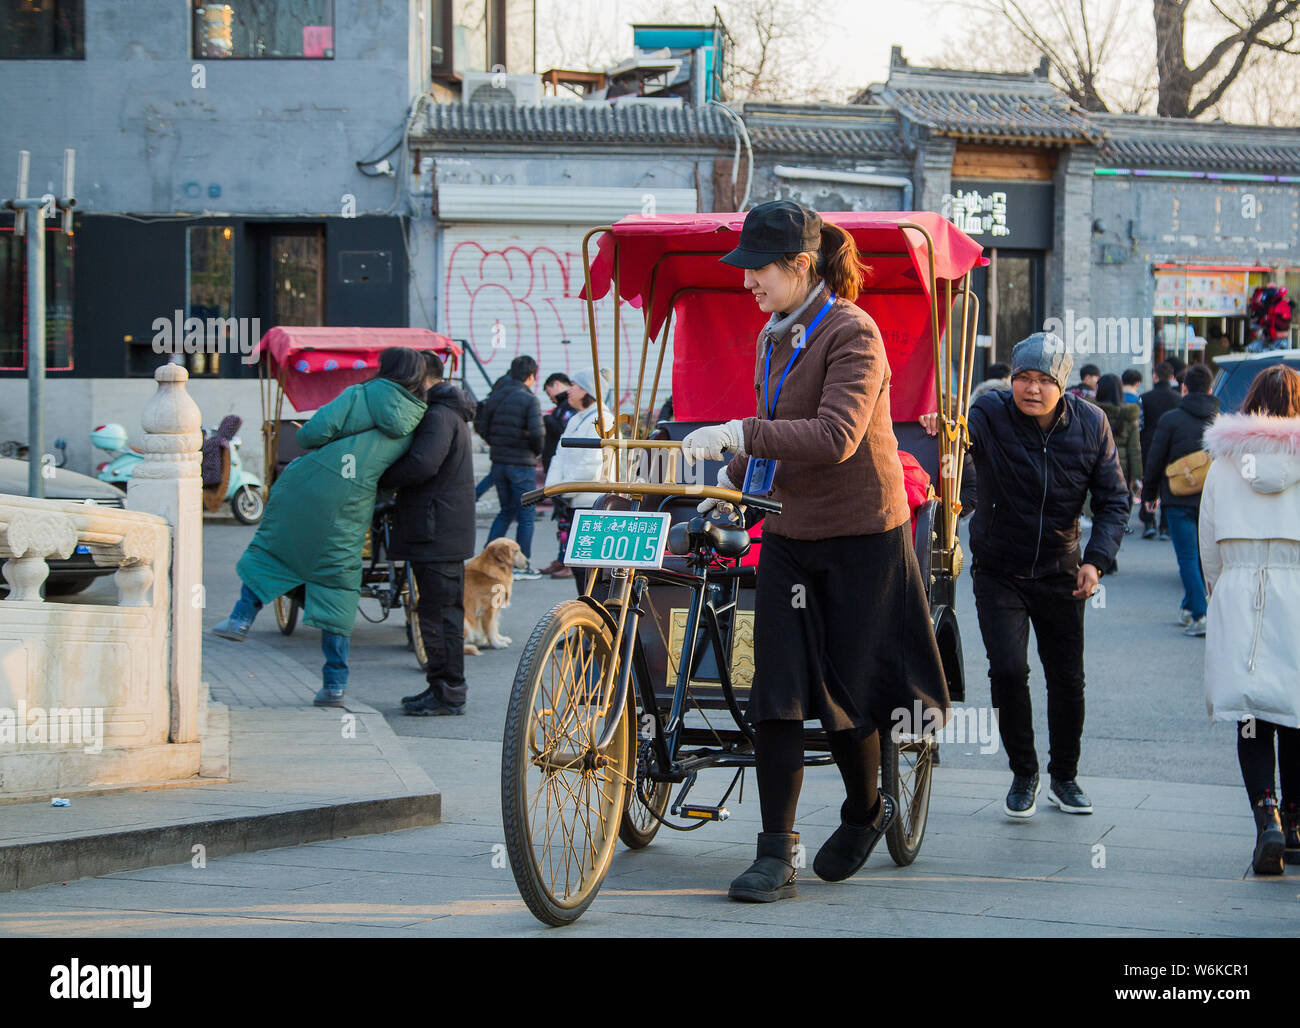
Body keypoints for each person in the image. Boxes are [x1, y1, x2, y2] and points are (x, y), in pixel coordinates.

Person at [680, 200, 951, 903]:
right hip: (792, 534)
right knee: (777, 691)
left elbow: (833, 437)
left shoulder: (852, 333)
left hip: (864, 536)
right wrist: (732, 483)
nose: (748, 284)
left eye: (758, 271)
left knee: (848, 696)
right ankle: (776, 851)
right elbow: (776, 426)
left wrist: (737, 432)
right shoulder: (775, 335)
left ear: (800, 266)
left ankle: (867, 809)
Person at [922, 334, 1129, 819]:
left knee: (1067, 678)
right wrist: (940, 427)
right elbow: (958, 439)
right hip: (999, 569)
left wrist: (1095, 561)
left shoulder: (1092, 425)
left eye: (1043, 381)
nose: (1031, 389)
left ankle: (1065, 776)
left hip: (1062, 570)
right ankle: (1024, 771)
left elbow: (1115, 501)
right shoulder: (990, 412)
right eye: (1023, 378)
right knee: (1009, 670)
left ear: (1062, 386)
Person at [212, 347, 428, 706]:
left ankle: (240, 619)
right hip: (356, 500)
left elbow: (310, 435)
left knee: (276, 548)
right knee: (338, 582)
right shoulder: (417, 418)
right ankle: (334, 686)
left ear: (385, 369)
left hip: (314, 483)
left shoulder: (358, 394)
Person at [1199, 364, 1300, 873]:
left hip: (1239, 589)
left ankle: (1268, 817)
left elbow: (1208, 542)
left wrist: (1220, 591)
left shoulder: (1224, 462)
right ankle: (1299, 823)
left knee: (1251, 716)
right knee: (1297, 712)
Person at [379, 352, 477, 717]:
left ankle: (448, 691)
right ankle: (442, 686)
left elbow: (422, 464)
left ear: (423, 378)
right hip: (441, 529)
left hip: (437, 531)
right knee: (440, 610)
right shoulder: (448, 411)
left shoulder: (438, 415)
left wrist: (382, 475)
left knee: (439, 613)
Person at [1141, 362, 1219, 637]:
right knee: (1203, 558)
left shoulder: (1171, 419)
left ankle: (1200, 613)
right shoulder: (1220, 421)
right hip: (1211, 501)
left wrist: (1149, 496)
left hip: (1177, 498)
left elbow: (1155, 460)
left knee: (1187, 557)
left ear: (1183, 388)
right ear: (1210, 388)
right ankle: (1190, 607)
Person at [476, 354, 544, 579]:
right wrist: (536, 451)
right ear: (532, 376)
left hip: (499, 462)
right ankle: (521, 565)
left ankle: (489, 559)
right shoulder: (529, 400)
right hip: (522, 464)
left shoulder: (495, 396)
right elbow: (537, 433)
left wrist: (496, 443)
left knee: (505, 512)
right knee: (526, 516)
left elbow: (482, 425)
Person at [542, 368, 613, 581]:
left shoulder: (603, 419)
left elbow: (591, 463)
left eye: (574, 386)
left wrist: (564, 488)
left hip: (591, 503)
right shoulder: (576, 419)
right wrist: (554, 486)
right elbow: (559, 454)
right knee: (578, 567)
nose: (569, 391)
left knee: (590, 571)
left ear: (586, 391)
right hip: (572, 499)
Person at [1088, 374, 1142, 538]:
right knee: (1116, 507)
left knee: (1099, 507)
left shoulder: (1090, 412)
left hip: (1094, 465)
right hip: (1121, 468)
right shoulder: (1129, 415)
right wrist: (1136, 476)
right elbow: (1135, 449)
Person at [1138, 361, 1180, 540]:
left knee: (1150, 482)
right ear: (1172, 378)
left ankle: (1149, 522)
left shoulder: (1145, 398)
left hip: (1149, 443)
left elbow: (1140, 423)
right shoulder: (1179, 399)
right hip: (1172, 446)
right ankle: (1165, 526)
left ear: (1155, 376)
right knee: (1167, 484)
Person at [540, 372, 576, 476]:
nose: (550, 398)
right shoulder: (561, 406)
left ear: (556, 384)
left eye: (548, 393)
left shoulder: (570, 404)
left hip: (561, 466)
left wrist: (547, 419)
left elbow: (563, 431)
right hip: (556, 464)